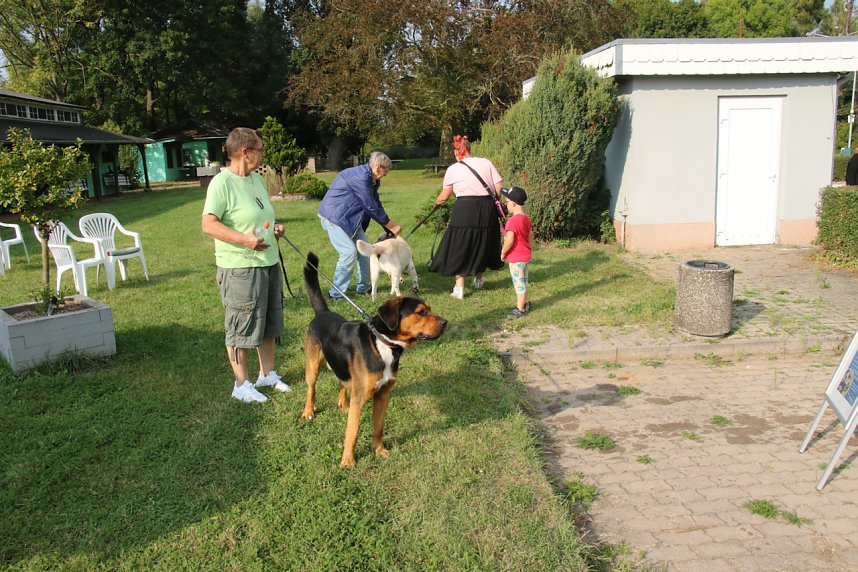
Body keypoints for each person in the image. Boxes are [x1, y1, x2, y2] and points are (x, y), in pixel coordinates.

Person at [201, 127, 291, 403]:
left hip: (268, 262)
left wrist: (273, 227)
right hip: (240, 267)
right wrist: (244, 240)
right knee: (241, 323)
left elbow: (258, 216)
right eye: (260, 150)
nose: (263, 154)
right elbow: (208, 224)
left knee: (269, 320)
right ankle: (241, 384)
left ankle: (267, 374)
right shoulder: (222, 183)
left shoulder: (256, 179)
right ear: (245, 152)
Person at [317, 151, 402, 300]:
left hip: (350, 219)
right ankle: (336, 294)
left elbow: (376, 204)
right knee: (349, 252)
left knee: (366, 251)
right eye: (386, 170)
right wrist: (391, 225)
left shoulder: (372, 179)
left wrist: (388, 228)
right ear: (378, 168)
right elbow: (370, 206)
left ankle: (364, 288)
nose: (386, 174)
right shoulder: (361, 178)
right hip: (335, 218)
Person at [428, 134, 504, 299]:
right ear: (469, 148)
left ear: (457, 152)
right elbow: (499, 185)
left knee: (460, 245)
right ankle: (479, 278)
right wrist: (494, 200)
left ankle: (459, 287)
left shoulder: (453, 169)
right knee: (483, 241)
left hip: (465, 208)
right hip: (487, 207)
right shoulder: (485, 162)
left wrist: (437, 203)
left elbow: (445, 195)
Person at [499, 186, 532, 318]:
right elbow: (530, 236)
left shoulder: (512, 221)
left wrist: (503, 253)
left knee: (519, 284)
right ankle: (526, 302)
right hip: (525, 256)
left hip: (516, 258)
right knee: (524, 280)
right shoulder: (526, 218)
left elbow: (509, 241)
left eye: (506, 202)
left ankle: (520, 309)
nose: (506, 204)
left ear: (513, 204)